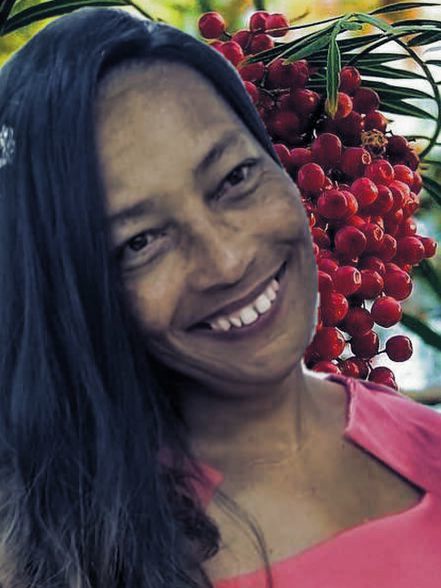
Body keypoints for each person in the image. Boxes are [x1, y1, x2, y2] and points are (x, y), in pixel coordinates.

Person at [0, 7, 440, 588]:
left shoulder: (430, 448)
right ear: (74, 291)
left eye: (234, 178)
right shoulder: (50, 555)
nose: (227, 260)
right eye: (141, 241)